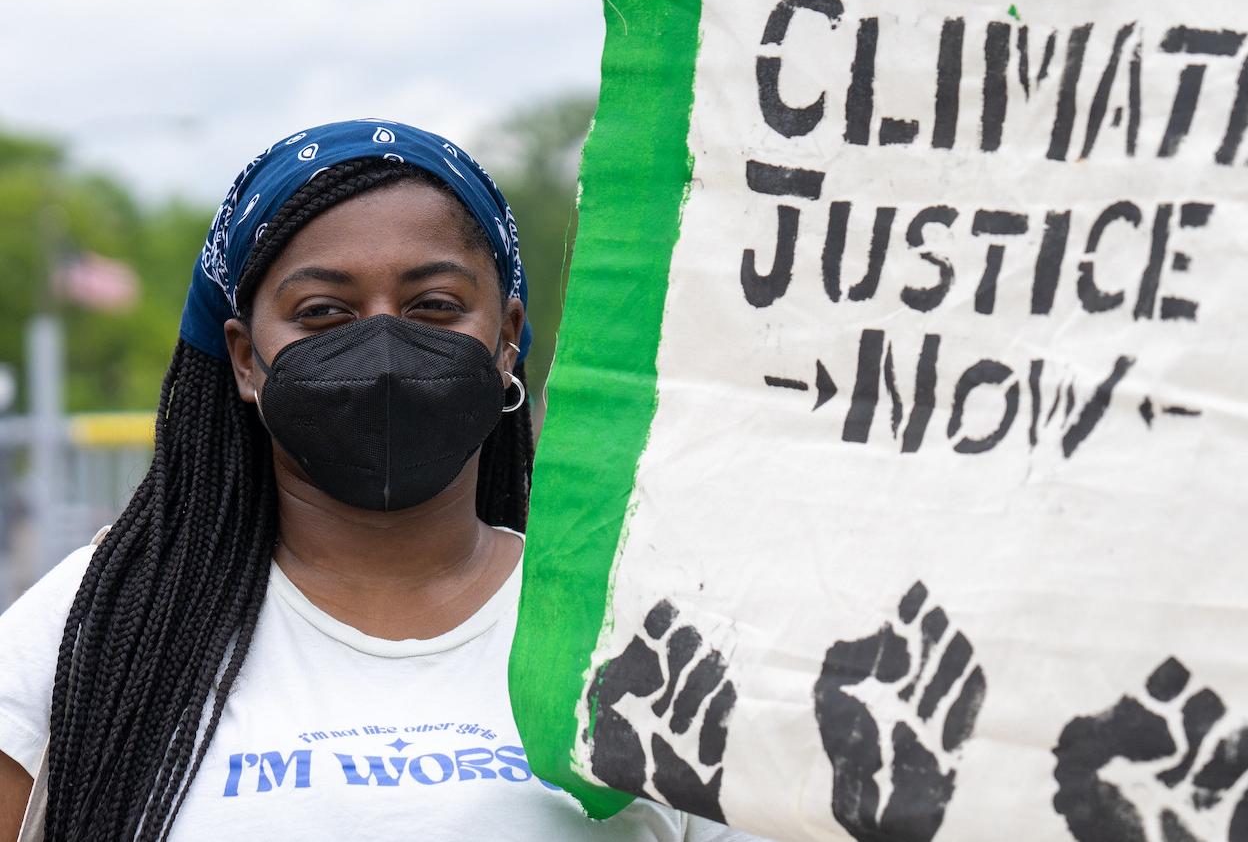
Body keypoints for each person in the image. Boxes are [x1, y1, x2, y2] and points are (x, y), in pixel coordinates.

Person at [0, 120, 762, 841]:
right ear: (243, 358)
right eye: (324, 311)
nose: (383, 341)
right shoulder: (94, 625)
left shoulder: (650, 631)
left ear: (505, 339)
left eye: (434, 305)